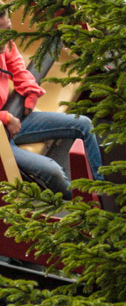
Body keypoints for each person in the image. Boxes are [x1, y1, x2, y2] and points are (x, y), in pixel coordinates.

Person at [0, 11, 103, 199]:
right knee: (52, 170)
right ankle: (86, 204)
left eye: (8, 30)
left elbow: (17, 67)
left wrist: (30, 93)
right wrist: (6, 118)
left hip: (12, 120)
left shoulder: (5, 44)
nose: (6, 39)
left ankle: (102, 190)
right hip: (1, 137)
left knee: (84, 125)